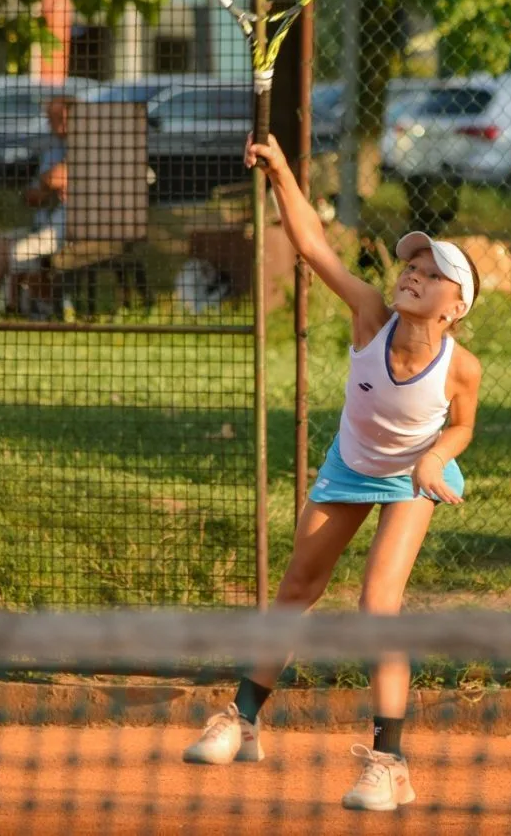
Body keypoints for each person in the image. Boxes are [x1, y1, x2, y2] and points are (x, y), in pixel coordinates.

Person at [181, 134, 483, 813]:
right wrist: (281, 173)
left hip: (414, 477)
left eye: (434, 273)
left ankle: (390, 763)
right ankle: (243, 720)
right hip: (351, 464)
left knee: (378, 604)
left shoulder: (462, 367)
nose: (414, 274)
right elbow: (314, 245)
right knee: (297, 586)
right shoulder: (370, 315)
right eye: (412, 263)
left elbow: (463, 425)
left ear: (456, 306)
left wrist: (436, 457)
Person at [0, 97, 73, 304]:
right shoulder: (54, 150)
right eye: (50, 119)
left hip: (66, 230)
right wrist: (48, 187)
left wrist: (49, 185)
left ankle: (9, 307)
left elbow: (52, 180)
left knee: (17, 252)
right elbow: (35, 193)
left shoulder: (88, 147)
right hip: (43, 224)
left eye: (59, 118)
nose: (54, 125)